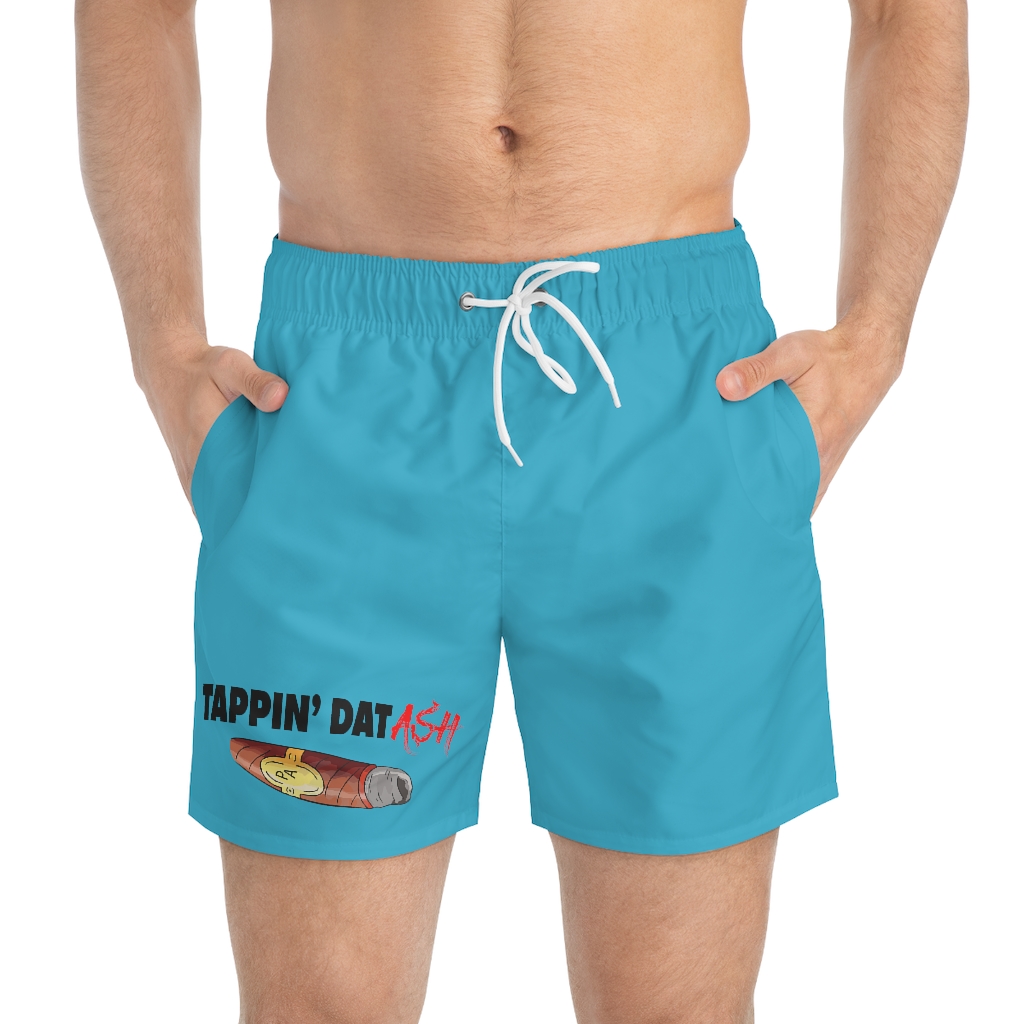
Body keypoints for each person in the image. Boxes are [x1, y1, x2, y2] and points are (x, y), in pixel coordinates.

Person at [75, 1, 967, 1021]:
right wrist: (161, 343)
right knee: (319, 1004)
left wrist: (877, 330)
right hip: (344, 394)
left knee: (674, 1009)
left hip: (672, 391)